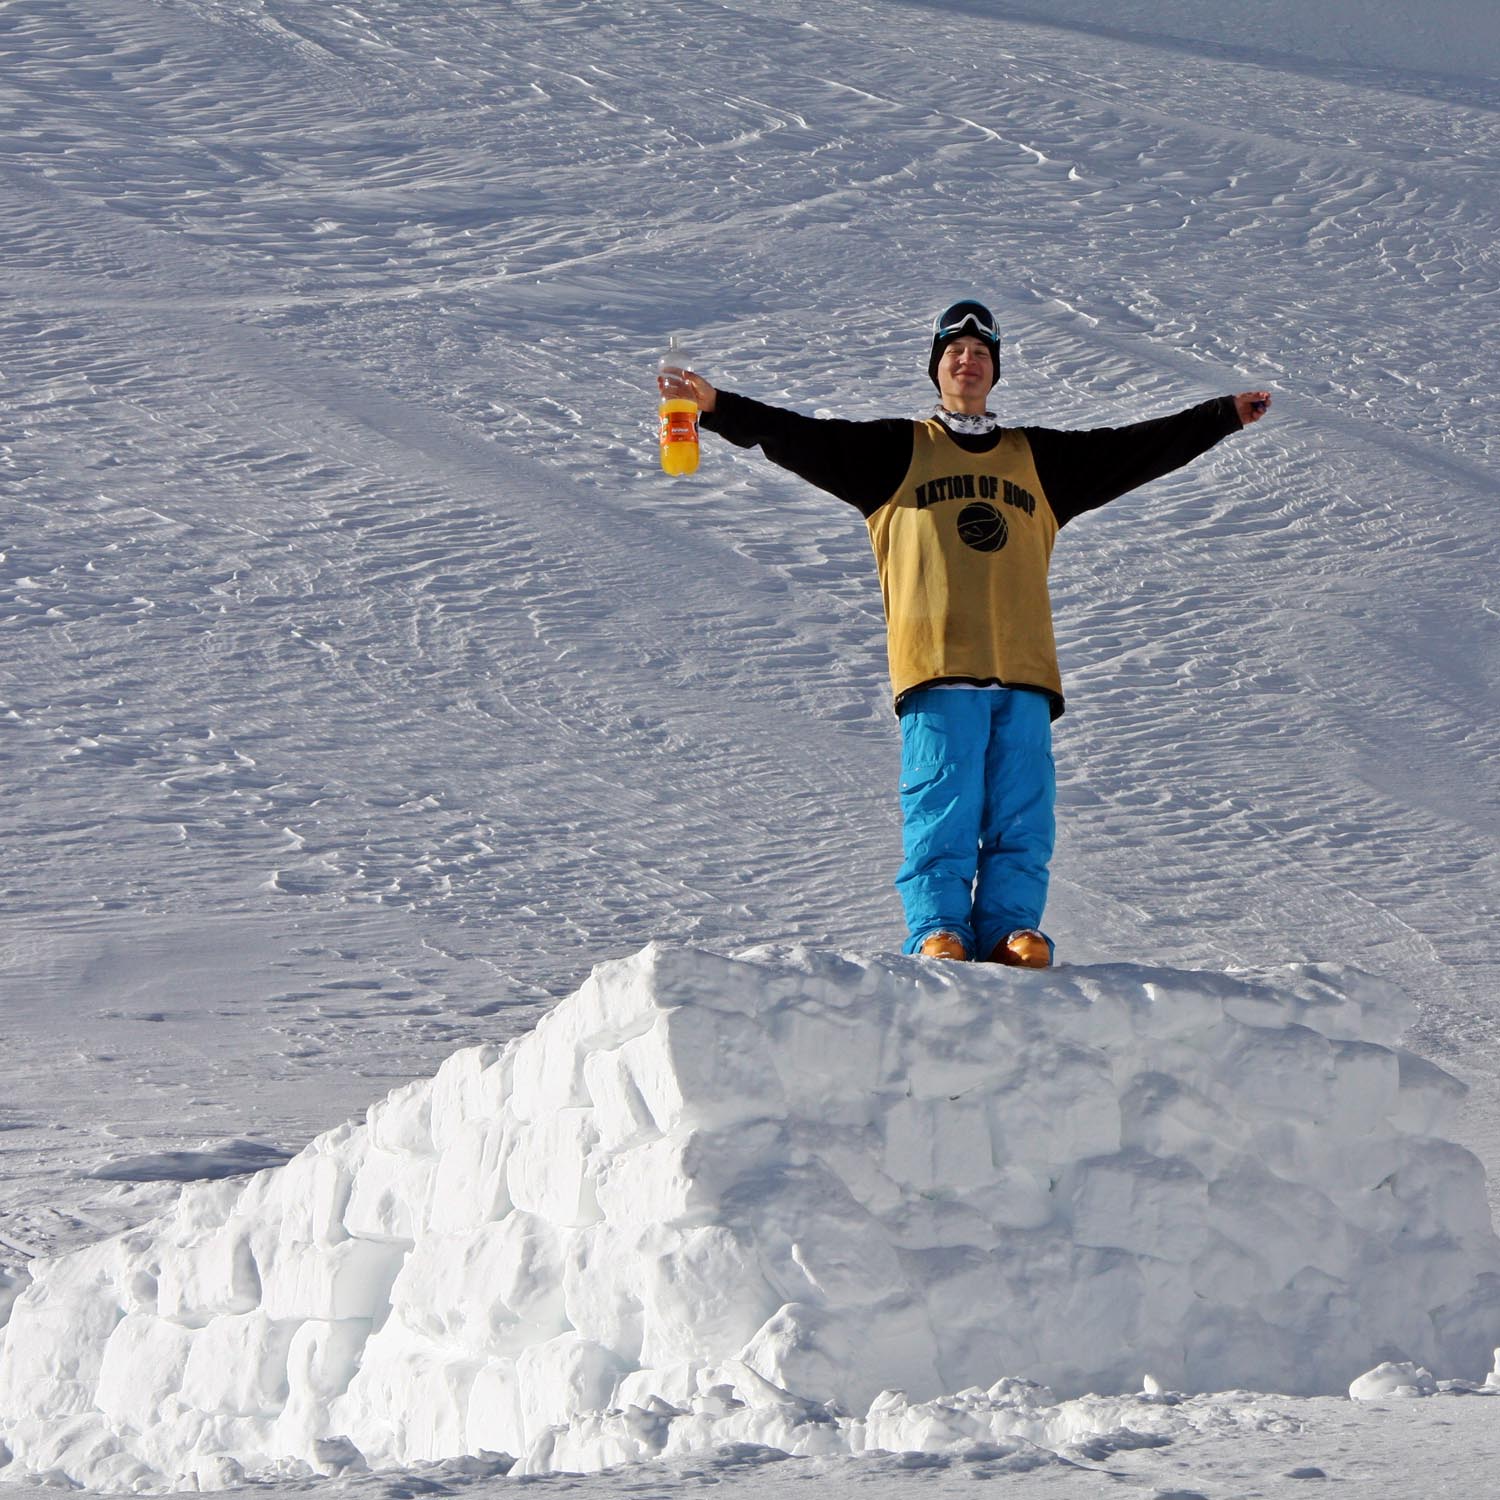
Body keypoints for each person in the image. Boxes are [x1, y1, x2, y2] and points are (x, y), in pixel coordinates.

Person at [661, 300, 1271, 966]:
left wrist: (1220, 417)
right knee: (943, 800)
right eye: (955, 349)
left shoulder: (1036, 459)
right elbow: (800, 436)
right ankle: (938, 929)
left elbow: (1132, 450)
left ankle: (1012, 929)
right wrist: (717, 407)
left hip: (1025, 671)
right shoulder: (896, 452)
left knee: (1023, 811)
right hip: (937, 665)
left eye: (981, 352)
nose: (968, 358)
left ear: (995, 370)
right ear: (938, 367)